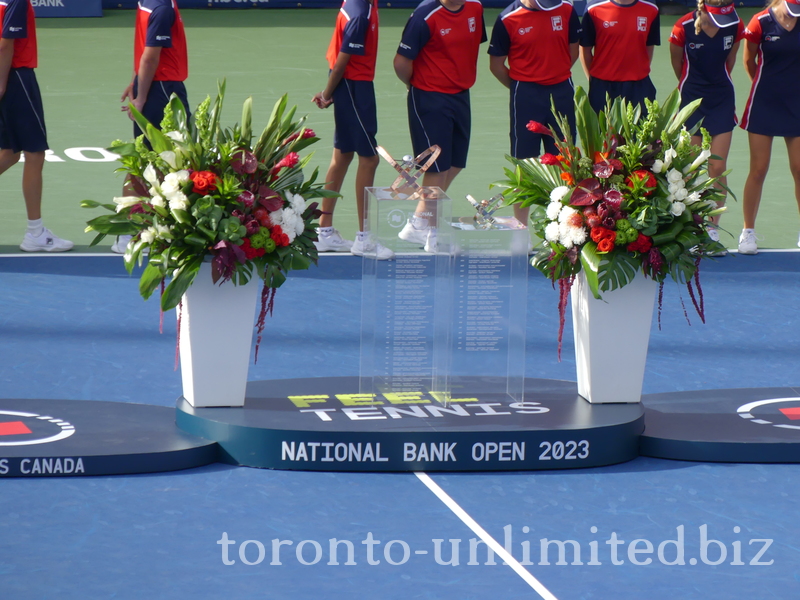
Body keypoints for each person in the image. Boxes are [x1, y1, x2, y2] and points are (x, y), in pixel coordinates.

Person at [393, 0, 486, 247]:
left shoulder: (475, 8)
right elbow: (401, 63)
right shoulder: (424, 16)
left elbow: (467, 46)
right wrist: (421, 86)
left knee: (454, 163)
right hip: (429, 97)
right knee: (435, 168)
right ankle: (434, 236)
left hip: (461, 95)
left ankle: (418, 222)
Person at [488, 0, 581, 229]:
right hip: (526, 95)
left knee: (564, 160)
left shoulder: (566, 10)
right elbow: (496, 65)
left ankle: (564, 227)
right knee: (525, 162)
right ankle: (520, 228)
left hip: (561, 91)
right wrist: (525, 85)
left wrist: (553, 73)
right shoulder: (507, 19)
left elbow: (573, 49)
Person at [312, 0, 392, 260]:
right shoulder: (360, 12)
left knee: (343, 154)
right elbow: (343, 59)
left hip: (349, 84)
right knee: (369, 159)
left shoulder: (360, 4)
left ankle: (324, 232)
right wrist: (327, 93)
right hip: (355, 86)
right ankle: (364, 239)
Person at [113, 0, 189, 254]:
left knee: (146, 161)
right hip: (163, 91)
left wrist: (135, 83)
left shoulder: (150, 3)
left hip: (157, 86)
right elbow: (151, 56)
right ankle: (128, 233)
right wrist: (141, 97)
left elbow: (147, 54)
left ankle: (134, 229)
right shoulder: (162, 8)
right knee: (151, 162)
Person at [669, 0, 744, 254]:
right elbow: (678, 66)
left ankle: (712, 229)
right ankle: (691, 228)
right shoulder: (683, 27)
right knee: (690, 168)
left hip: (722, 99)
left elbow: (730, 60)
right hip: (692, 100)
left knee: (717, 166)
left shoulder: (735, 24)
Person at [0, 0, 73, 252]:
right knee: (34, 153)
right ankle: (35, 233)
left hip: (10, 75)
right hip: (15, 76)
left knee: (9, 153)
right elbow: (4, 44)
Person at [738, 0, 800, 254]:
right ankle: (747, 232)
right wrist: (767, 88)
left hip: (796, 104)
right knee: (759, 169)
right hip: (764, 103)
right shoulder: (760, 22)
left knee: (799, 168)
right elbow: (748, 60)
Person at [580, 0, 660, 114]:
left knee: (642, 130)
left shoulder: (651, 9)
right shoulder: (593, 9)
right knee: (604, 131)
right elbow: (585, 50)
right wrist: (593, 81)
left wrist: (639, 71)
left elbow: (649, 45)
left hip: (639, 85)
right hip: (603, 86)